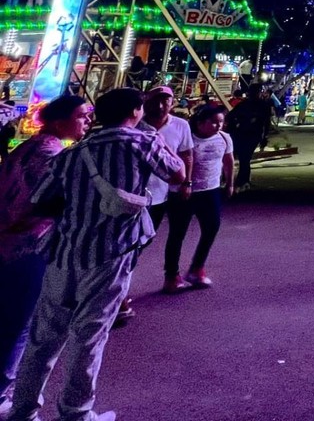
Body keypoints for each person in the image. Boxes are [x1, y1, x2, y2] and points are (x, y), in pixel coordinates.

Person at [9, 88, 185, 421]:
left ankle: (23, 411)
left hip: (64, 252)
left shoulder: (72, 153)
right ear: (135, 111)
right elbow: (177, 174)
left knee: (43, 337)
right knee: (89, 335)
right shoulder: (142, 142)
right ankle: (75, 413)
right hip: (111, 253)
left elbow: (42, 198)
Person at [0, 96, 92, 412]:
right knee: (18, 325)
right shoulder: (52, 157)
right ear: (58, 120)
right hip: (28, 249)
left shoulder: (29, 149)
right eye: (82, 116)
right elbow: (45, 206)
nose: (87, 122)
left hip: (11, 248)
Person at [163, 104, 234, 292]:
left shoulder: (224, 138)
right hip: (183, 192)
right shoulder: (187, 138)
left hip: (210, 190)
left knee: (211, 228)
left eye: (221, 122)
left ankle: (197, 268)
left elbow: (228, 160)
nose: (218, 126)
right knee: (178, 233)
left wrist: (230, 183)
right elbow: (181, 161)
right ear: (200, 122)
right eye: (213, 122)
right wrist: (185, 184)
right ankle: (171, 275)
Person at [136, 86, 195, 295]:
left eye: (166, 101)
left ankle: (172, 276)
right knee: (142, 238)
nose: (161, 106)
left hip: (173, 188)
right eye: (155, 101)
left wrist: (187, 183)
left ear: (173, 103)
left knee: (177, 234)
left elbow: (187, 155)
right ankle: (121, 284)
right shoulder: (136, 125)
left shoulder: (181, 125)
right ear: (146, 101)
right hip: (146, 193)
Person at [224, 84, 272, 192]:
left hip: (252, 134)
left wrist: (265, 136)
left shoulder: (262, 105)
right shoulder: (246, 104)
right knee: (243, 157)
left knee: (245, 157)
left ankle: (242, 180)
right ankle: (243, 180)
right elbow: (230, 116)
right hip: (243, 133)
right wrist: (237, 124)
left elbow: (266, 122)